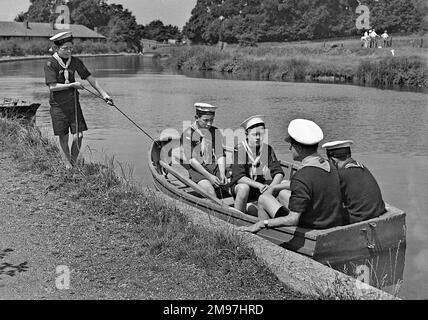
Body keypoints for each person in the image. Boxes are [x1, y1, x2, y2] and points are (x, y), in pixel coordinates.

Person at [237, 119, 343, 233]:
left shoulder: (303, 175)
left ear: (300, 148)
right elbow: (307, 185)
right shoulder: (329, 165)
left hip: (310, 226)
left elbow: (293, 219)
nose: (289, 149)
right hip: (327, 220)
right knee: (283, 193)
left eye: (291, 145)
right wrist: (275, 187)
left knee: (263, 199)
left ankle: (265, 236)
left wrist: (263, 224)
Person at [44, 31, 112, 169]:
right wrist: (72, 85)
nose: (69, 51)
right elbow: (52, 87)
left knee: (78, 136)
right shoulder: (50, 63)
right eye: (65, 48)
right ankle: (67, 165)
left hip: (74, 103)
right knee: (63, 136)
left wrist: (104, 95)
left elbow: (90, 78)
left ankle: (73, 163)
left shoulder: (75, 61)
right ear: (56, 48)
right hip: (58, 105)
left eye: (71, 48)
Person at [322, 140, 386, 224]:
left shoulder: (340, 174)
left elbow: (330, 202)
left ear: (333, 161)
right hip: (378, 211)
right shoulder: (361, 166)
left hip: (360, 216)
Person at [230, 115, 284, 213]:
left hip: (259, 187)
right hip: (240, 186)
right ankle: (238, 217)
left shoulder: (267, 149)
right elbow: (239, 177)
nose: (258, 138)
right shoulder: (240, 149)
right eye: (255, 135)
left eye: (261, 134)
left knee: (284, 184)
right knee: (244, 188)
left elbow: (278, 172)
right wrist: (259, 185)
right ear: (246, 134)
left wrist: (272, 187)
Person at [180, 102, 227, 198]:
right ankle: (218, 210)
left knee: (231, 183)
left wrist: (222, 173)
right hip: (197, 170)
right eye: (205, 120)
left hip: (213, 166)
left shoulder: (215, 132)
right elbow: (192, 160)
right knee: (209, 189)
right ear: (196, 118)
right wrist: (209, 176)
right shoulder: (187, 134)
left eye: (211, 120)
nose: (209, 124)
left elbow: (220, 154)